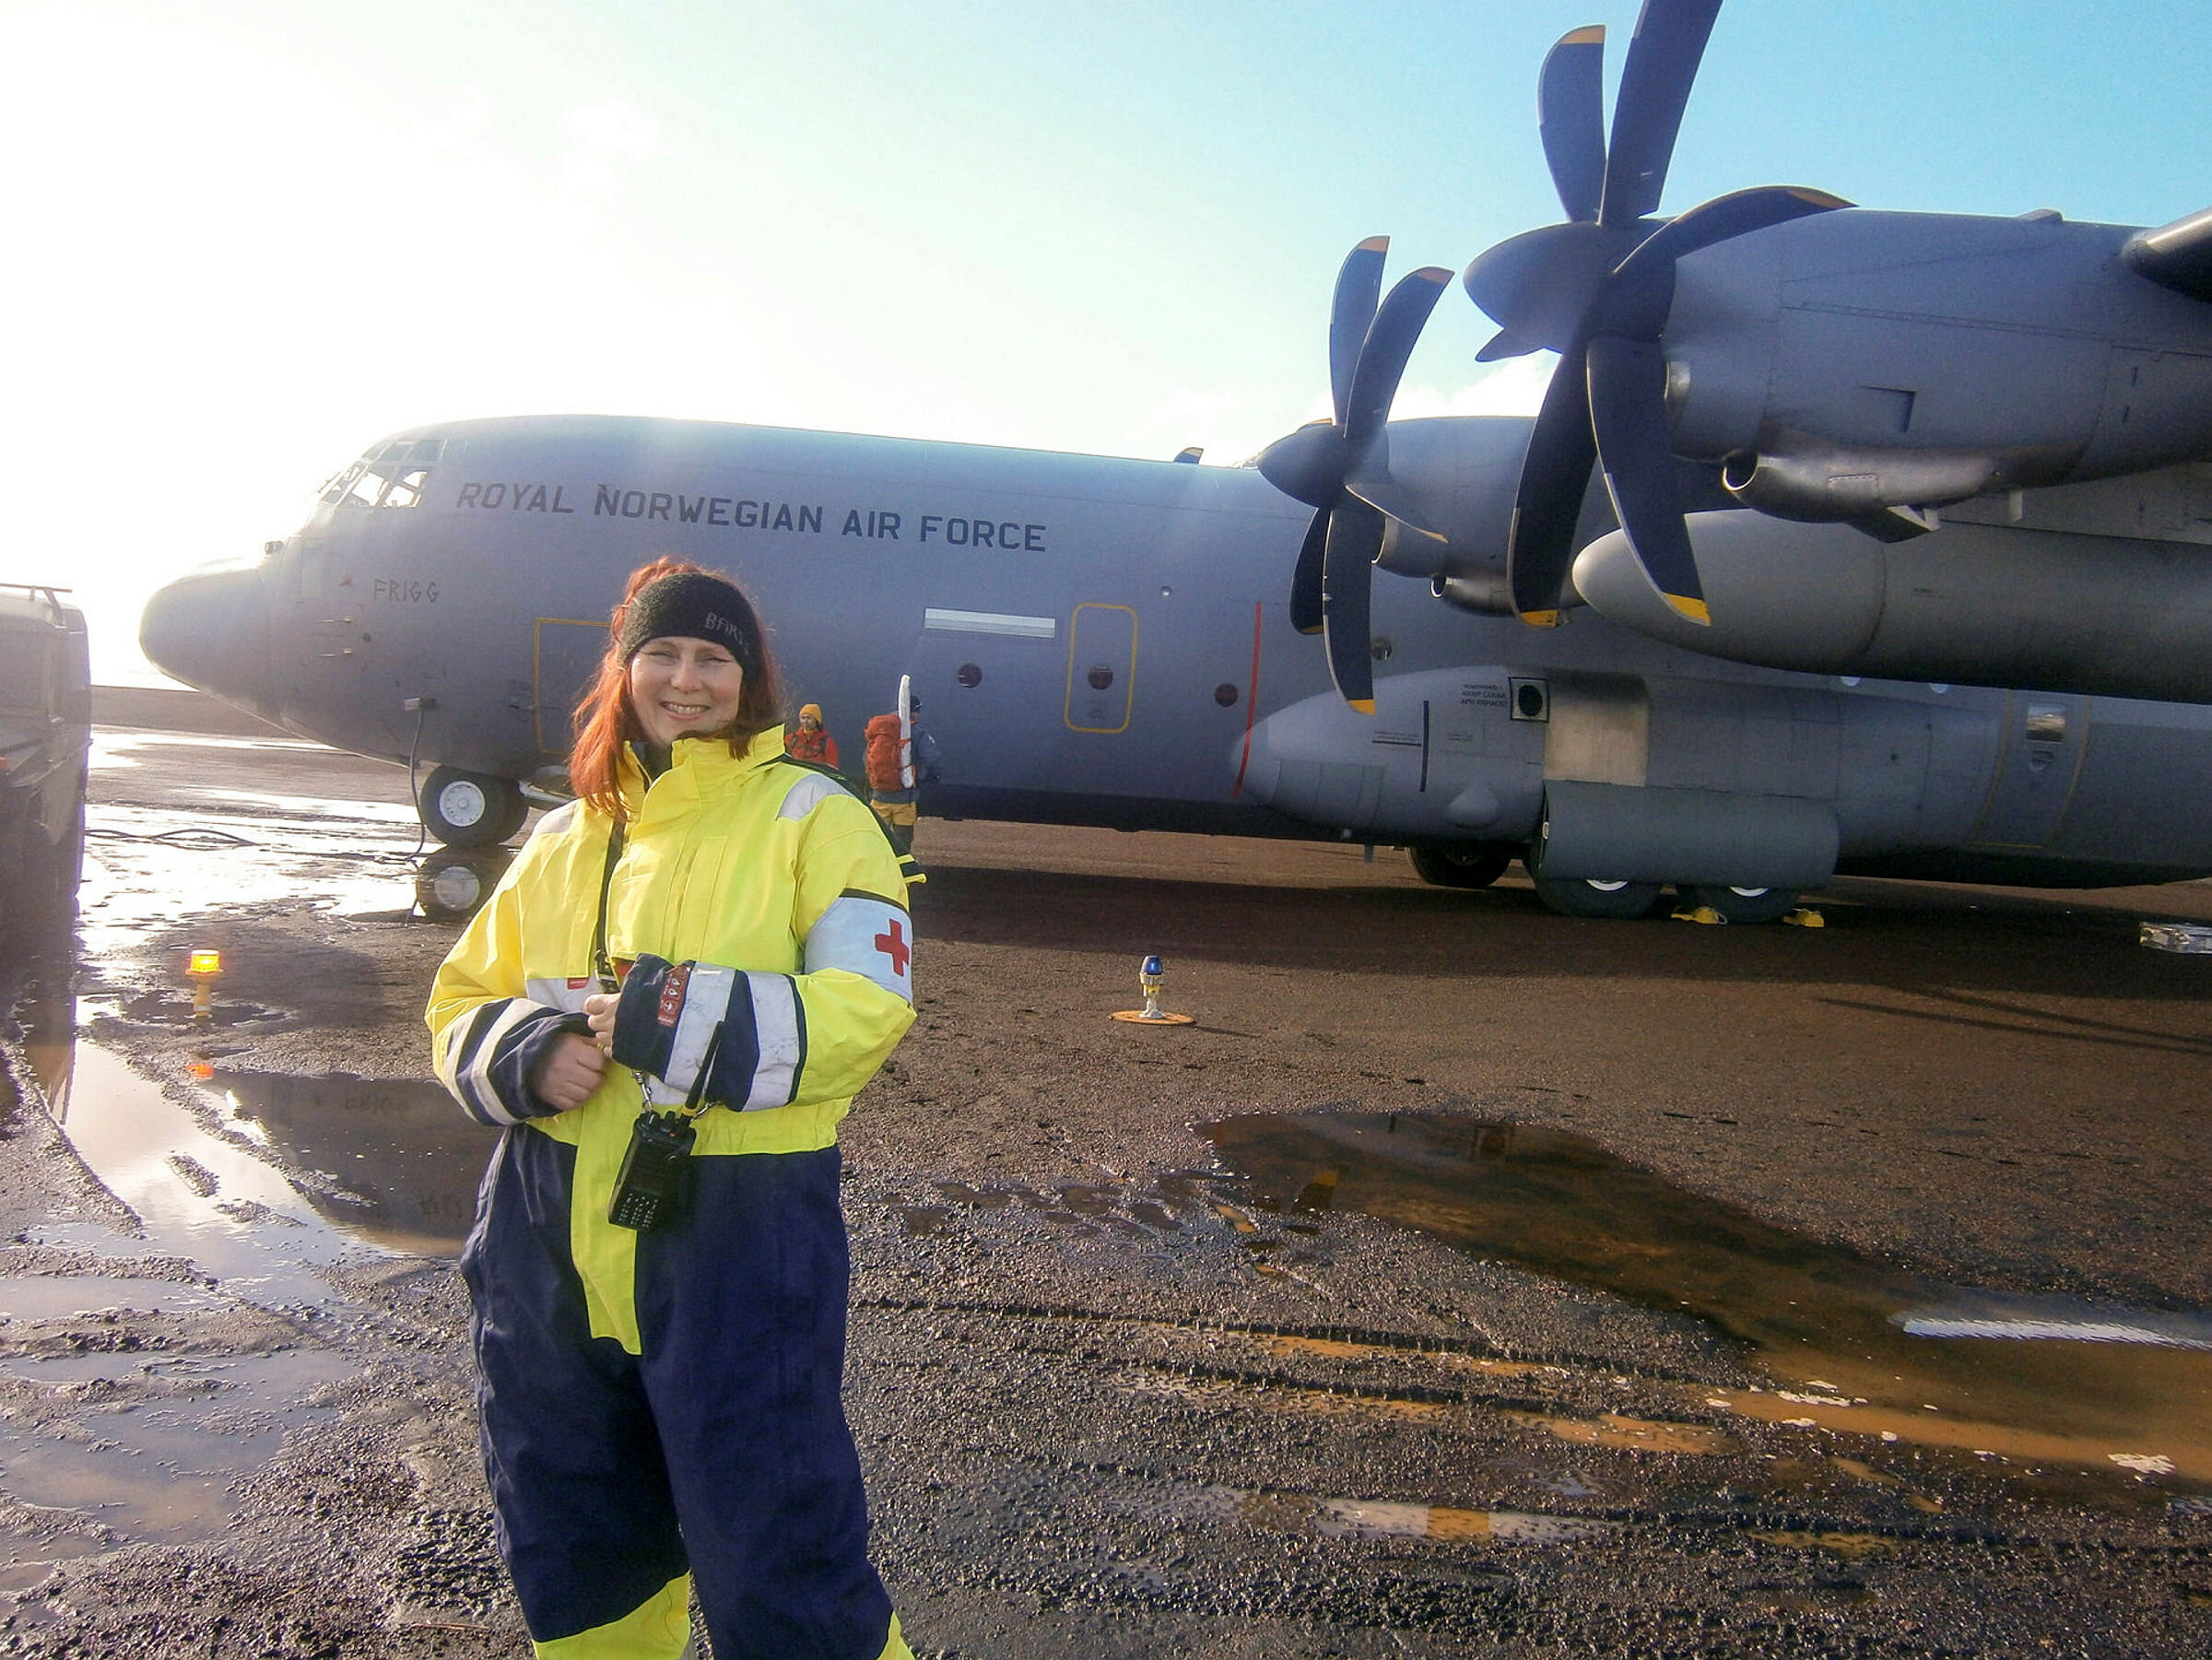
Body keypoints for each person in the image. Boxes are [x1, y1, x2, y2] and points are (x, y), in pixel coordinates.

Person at [426, 559, 919, 1660]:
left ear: (749, 682)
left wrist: (670, 1015)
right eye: (663, 655)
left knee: (777, 1542)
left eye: (712, 658)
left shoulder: (817, 818)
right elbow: (459, 996)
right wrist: (525, 1050)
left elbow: (867, 1010)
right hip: (544, 1224)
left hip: (737, 1225)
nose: (685, 680)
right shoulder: (561, 837)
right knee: (574, 1525)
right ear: (625, 670)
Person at [862, 696, 940, 861]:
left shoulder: (880, 728)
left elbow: (866, 758)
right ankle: (902, 875)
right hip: (905, 800)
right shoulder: (917, 731)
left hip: (879, 796)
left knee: (877, 837)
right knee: (902, 842)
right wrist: (931, 774)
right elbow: (931, 758)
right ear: (915, 712)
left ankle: (876, 871)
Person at [785, 700, 840, 769]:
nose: (805, 721)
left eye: (809, 718)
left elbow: (832, 768)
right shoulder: (791, 739)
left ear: (816, 720)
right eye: (803, 718)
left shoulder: (828, 743)